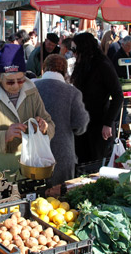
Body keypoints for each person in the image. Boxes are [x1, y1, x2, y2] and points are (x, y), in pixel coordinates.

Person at [0, 44, 55, 180]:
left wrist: (45, 128)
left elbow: (50, 124)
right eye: (10, 82)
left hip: (25, 168)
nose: (16, 85)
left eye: (20, 80)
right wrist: (5, 136)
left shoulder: (32, 93)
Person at [35, 54, 89, 186]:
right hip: (62, 153)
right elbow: (80, 125)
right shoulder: (72, 92)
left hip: (34, 152)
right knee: (61, 200)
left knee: (34, 198)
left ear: (44, 68)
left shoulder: (31, 87)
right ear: (65, 72)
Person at [70, 32, 123, 163]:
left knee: (96, 163)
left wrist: (108, 123)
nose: (73, 53)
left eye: (74, 49)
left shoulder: (103, 64)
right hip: (83, 122)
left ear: (83, 48)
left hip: (99, 124)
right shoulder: (83, 64)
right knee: (82, 162)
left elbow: (118, 95)